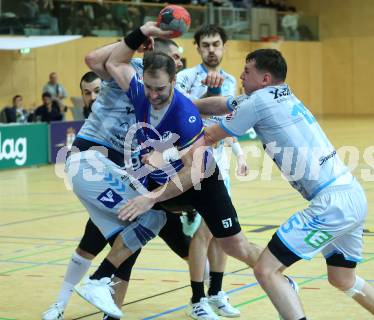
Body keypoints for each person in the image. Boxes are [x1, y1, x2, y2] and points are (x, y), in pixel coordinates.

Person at [194, 48, 374, 320]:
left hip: (331, 204)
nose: (241, 75)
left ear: (265, 78)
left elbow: (209, 136)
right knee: (342, 278)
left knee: (265, 270)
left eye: (247, 71)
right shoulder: (280, 93)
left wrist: (175, 125)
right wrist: (188, 104)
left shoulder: (258, 103)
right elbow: (224, 103)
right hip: (353, 195)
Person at [74, 21, 261, 318]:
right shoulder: (143, 89)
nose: (152, 94)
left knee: (231, 243)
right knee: (150, 220)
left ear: (173, 81)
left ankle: (268, 276)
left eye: (159, 88)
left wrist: (236, 106)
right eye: (148, 87)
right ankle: (105, 282)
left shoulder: (184, 109)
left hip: (202, 176)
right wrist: (144, 33)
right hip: (162, 174)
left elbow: (196, 158)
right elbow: (106, 60)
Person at [42, 39, 195, 320]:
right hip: (110, 176)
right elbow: (98, 59)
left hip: (136, 180)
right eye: (87, 93)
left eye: (95, 91)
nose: (92, 96)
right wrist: (138, 36)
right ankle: (65, 305)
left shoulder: (165, 92)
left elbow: (185, 121)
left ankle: (203, 294)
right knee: (100, 243)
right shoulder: (128, 77)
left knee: (157, 243)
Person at [176, 24, 246, 319]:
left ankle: (216, 293)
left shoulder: (230, 81)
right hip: (192, 167)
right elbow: (185, 117)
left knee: (220, 235)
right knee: (203, 234)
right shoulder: (183, 78)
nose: (211, 49)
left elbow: (225, 124)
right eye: (205, 45)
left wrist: (239, 153)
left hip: (221, 167)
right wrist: (210, 92)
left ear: (224, 46)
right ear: (198, 48)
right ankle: (197, 299)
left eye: (216, 44)